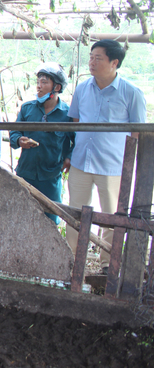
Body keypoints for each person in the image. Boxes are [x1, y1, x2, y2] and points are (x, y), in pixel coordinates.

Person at [66, 40, 147, 273]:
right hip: (82, 161)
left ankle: (107, 264)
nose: (92, 62)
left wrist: (128, 162)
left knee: (113, 215)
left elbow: (137, 131)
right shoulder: (82, 89)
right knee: (74, 211)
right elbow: (76, 121)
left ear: (114, 63)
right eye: (91, 57)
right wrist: (72, 154)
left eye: (98, 58)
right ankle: (72, 259)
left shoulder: (131, 93)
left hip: (112, 165)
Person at [9, 63, 75, 225]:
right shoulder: (27, 109)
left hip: (51, 175)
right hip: (26, 172)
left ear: (57, 87)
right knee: (20, 215)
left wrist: (69, 158)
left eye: (44, 82)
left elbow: (76, 140)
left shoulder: (67, 114)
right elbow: (14, 133)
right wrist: (19, 140)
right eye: (38, 82)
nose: (39, 86)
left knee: (51, 217)